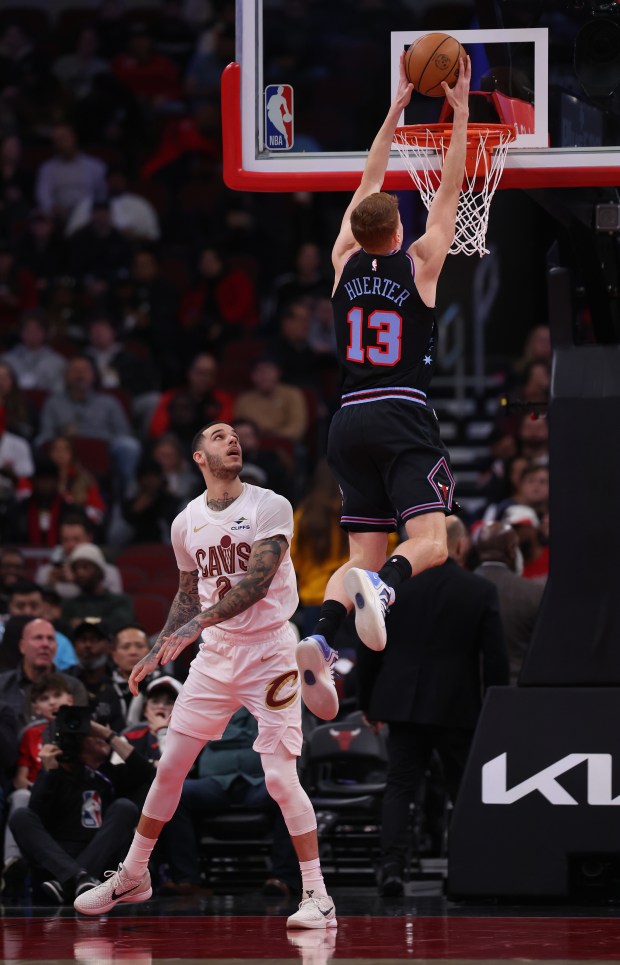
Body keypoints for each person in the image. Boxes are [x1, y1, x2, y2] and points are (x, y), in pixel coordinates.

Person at [74, 421, 336, 930]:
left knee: (281, 779)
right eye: (218, 436)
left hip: (270, 653)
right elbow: (189, 593)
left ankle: (317, 896)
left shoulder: (270, 505)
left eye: (235, 435)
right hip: (216, 656)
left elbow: (258, 583)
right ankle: (134, 874)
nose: (232, 439)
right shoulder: (184, 522)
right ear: (198, 457)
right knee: (169, 767)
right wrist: (159, 646)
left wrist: (197, 623)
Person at [295, 51, 472, 720]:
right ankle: (388, 590)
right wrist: (455, 113)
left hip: (348, 419)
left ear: (356, 231)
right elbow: (451, 191)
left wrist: (396, 109)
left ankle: (321, 634)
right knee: (432, 539)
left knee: (359, 551)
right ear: (397, 232)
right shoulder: (422, 262)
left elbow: (369, 179)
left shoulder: (342, 262)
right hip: (400, 410)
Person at [355, 517, 509, 896]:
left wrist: (368, 701)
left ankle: (391, 868)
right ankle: (471, 868)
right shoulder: (479, 590)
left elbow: (369, 645)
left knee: (400, 786)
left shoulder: (391, 588)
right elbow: (496, 661)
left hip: (400, 703)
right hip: (457, 706)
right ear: (459, 546)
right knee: (462, 789)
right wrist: (497, 708)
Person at [9, 714, 155, 904]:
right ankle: (77, 877)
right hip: (56, 863)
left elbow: (147, 773)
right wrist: (48, 773)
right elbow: (36, 816)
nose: (102, 739)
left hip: (94, 863)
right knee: (20, 816)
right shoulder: (55, 773)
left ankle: (74, 880)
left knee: (124, 807)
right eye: (93, 734)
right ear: (78, 739)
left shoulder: (110, 774)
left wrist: (107, 734)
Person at [474, 520, 545, 683]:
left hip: (472, 692)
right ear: (511, 550)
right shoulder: (533, 592)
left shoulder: (460, 591)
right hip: (518, 690)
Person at [0, 617, 87, 727]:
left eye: (50, 639)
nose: (45, 644)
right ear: (22, 646)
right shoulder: (2, 686)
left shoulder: (73, 687)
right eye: (38, 638)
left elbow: (79, 732)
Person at [61, 543, 134, 632]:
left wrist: (85, 621)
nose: (80, 573)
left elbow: (119, 623)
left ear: (99, 570)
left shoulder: (120, 601)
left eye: (85, 567)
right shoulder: (69, 605)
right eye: (76, 568)